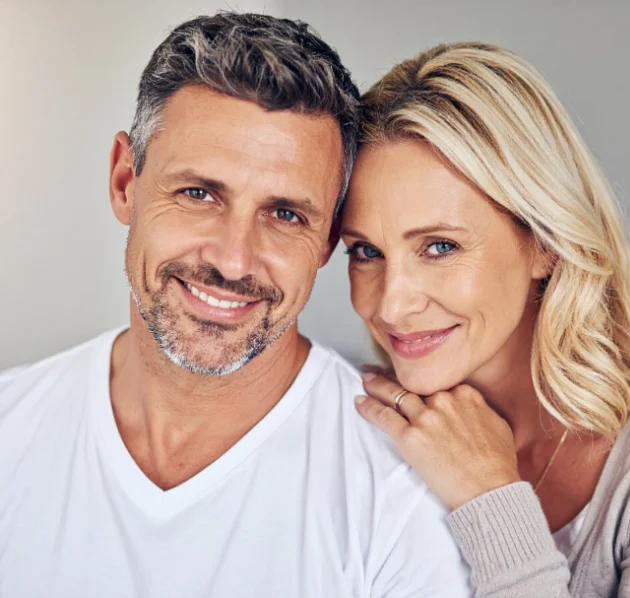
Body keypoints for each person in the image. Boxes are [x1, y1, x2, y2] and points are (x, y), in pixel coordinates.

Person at [0, 14, 472, 597]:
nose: (233, 260)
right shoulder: (9, 428)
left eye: (285, 215)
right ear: (126, 181)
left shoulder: (401, 500)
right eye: (198, 194)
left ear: (328, 241)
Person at [346, 42, 630, 597]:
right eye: (365, 252)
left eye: (440, 247)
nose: (391, 305)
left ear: (546, 243)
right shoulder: (360, 430)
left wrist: (491, 499)